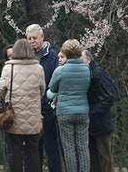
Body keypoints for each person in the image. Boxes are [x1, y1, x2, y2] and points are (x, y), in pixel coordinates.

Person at [0, 38, 46, 172]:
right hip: (33, 115)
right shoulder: (38, 68)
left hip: (14, 116)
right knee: (33, 151)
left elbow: (0, 92)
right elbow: (42, 90)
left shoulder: (8, 68)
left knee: (15, 152)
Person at [46, 39, 91, 172]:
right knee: (83, 147)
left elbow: (52, 90)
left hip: (64, 111)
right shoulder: (87, 70)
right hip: (83, 110)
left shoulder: (60, 70)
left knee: (69, 147)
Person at [27, 24, 61, 172]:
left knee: (51, 147)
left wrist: (46, 101)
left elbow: (54, 81)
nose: (32, 41)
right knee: (33, 149)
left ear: (42, 37)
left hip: (47, 107)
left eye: (34, 38)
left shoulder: (52, 55)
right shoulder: (26, 57)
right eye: (29, 38)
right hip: (31, 108)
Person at [82, 50, 117, 172]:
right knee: (92, 156)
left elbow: (110, 96)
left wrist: (93, 111)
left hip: (100, 122)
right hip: (90, 122)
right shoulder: (87, 75)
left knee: (104, 155)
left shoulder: (100, 74)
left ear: (88, 60)